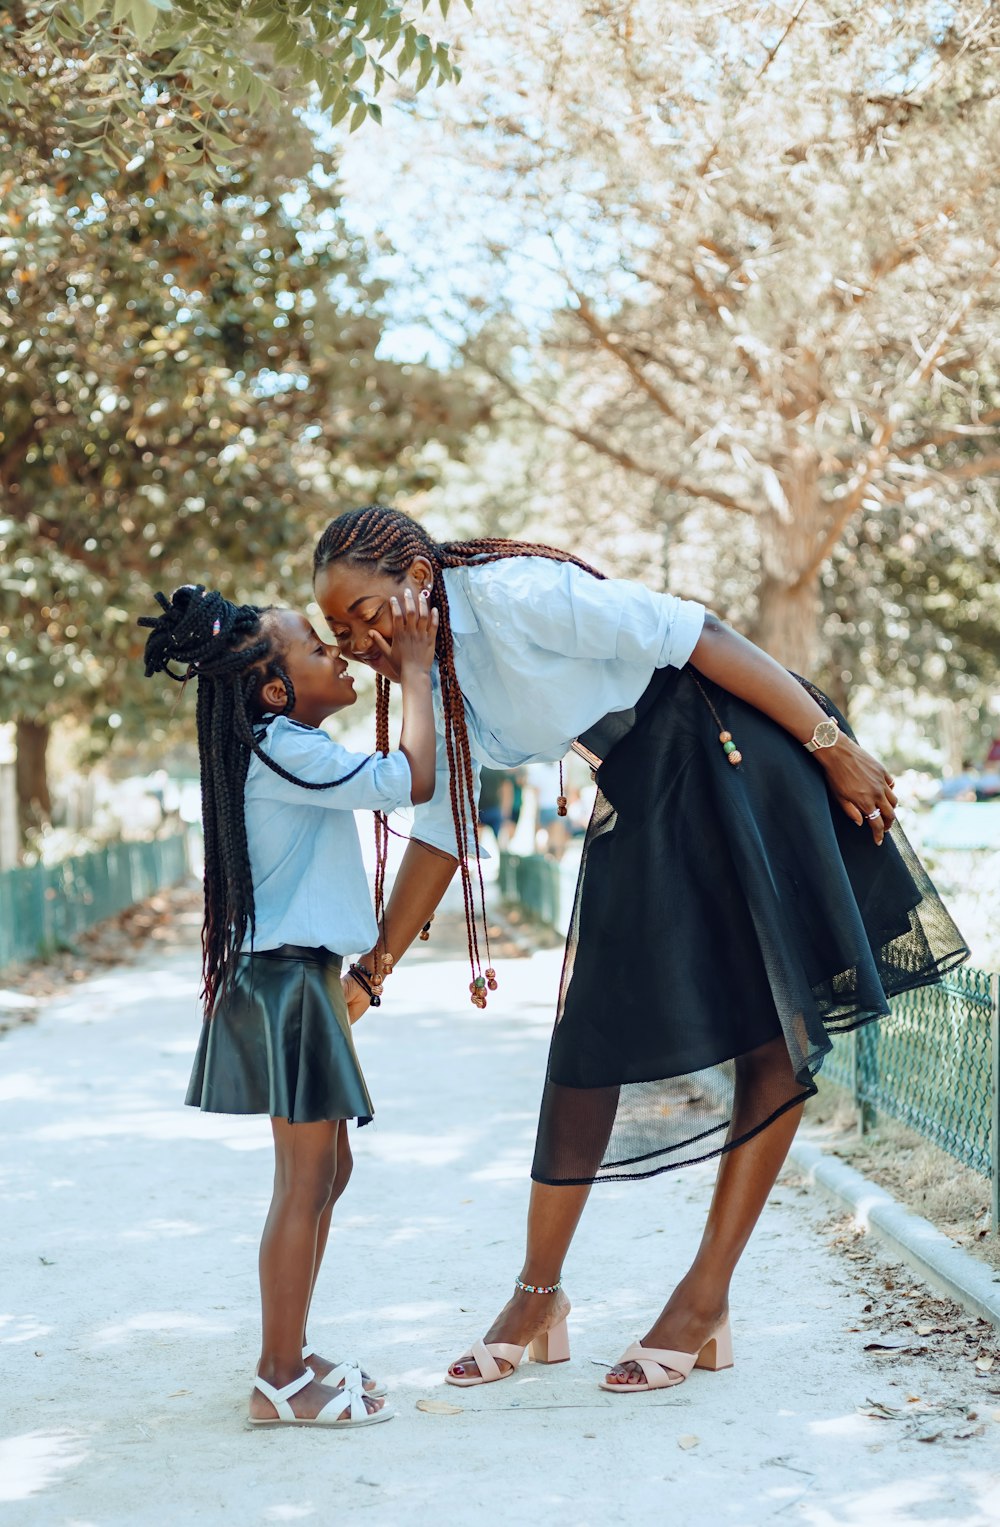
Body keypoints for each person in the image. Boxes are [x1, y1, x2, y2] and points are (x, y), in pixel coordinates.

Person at [312, 506, 968, 1397]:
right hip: (645, 786)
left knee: (772, 1034)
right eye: (340, 630)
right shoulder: (437, 673)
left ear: (418, 580)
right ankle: (537, 1295)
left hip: (734, 751)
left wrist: (831, 742)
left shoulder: (512, 594)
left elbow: (700, 630)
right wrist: (370, 973)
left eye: (365, 611)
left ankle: (704, 1300)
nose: (357, 640)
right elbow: (442, 820)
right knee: (590, 1041)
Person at [140, 581, 438, 1426]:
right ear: (275, 690)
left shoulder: (281, 743)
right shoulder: (285, 748)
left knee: (325, 1171)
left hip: (294, 976)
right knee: (304, 1181)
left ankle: (294, 1347)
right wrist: (412, 666)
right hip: (288, 981)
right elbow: (412, 778)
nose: (337, 652)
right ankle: (278, 1376)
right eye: (317, 646)